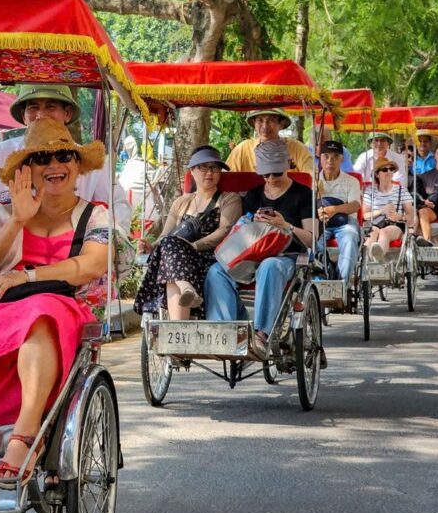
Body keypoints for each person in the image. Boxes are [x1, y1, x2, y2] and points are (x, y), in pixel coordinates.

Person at [0, 118, 110, 483]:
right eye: (42, 159)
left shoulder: (95, 215)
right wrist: (17, 220)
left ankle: (24, 437)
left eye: (64, 156)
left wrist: (27, 275)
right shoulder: (5, 213)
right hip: (2, 309)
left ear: (78, 167)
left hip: (62, 308)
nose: (54, 166)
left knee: (42, 310)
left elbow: (92, 263)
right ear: (27, 170)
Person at [204, 140, 315, 359]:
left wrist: (286, 226)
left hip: (287, 256)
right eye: (266, 175)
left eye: (276, 173)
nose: (271, 179)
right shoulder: (254, 195)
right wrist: (251, 223)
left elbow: (312, 239)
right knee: (216, 271)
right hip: (251, 253)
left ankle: (262, 334)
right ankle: (228, 331)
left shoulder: (303, 194)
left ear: (288, 166)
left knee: (269, 265)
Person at [0, 84, 130, 228]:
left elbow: (119, 210)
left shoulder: (92, 166)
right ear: (24, 116)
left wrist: (91, 237)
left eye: (50, 107)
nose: (41, 115)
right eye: (33, 107)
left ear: (67, 113)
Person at [134, 146, 241, 319]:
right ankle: (181, 324)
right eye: (203, 167)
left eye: (214, 167)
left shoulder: (229, 199)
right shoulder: (181, 202)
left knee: (171, 256)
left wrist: (193, 246)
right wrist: (150, 246)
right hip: (179, 259)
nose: (209, 173)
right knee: (170, 248)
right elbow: (164, 236)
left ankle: (186, 290)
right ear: (192, 170)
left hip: (211, 257)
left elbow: (225, 231)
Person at [317, 141, 362, 287]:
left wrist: (334, 209)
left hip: (346, 222)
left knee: (349, 238)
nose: (330, 160)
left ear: (341, 159)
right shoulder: (314, 181)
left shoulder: (351, 181)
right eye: (326, 156)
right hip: (321, 222)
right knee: (312, 244)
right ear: (320, 158)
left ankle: (342, 283)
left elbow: (355, 205)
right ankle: (322, 278)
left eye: (335, 156)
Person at [226, 108, 314, 173]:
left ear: (281, 124)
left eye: (271, 120)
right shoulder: (243, 149)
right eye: (260, 120)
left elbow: (312, 180)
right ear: (254, 123)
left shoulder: (297, 148)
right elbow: (226, 177)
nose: (265, 126)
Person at [362, 159, 416, 262]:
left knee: (384, 232)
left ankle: (379, 258)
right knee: (372, 232)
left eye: (391, 169)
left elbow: (411, 216)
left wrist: (399, 216)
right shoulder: (370, 191)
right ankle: (366, 260)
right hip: (375, 224)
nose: (389, 172)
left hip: (394, 225)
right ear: (377, 174)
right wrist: (381, 211)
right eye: (385, 170)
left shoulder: (401, 190)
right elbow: (365, 216)